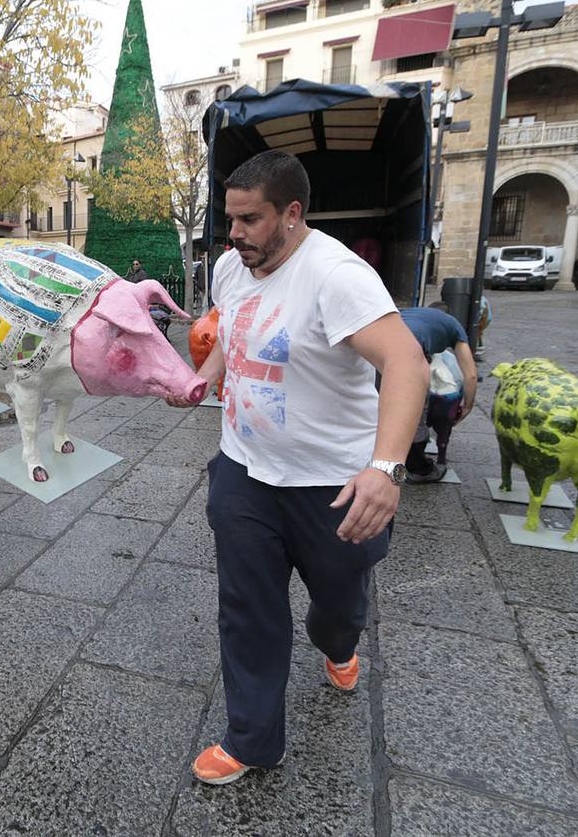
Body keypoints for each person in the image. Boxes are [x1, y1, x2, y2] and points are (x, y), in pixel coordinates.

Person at [168, 150, 427, 786]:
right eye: (229, 220)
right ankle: (252, 739)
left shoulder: (336, 275)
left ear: (292, 213)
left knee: (338, 605)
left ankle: (339, 645)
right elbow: (231, 332)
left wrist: (386, 470)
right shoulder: (231, 267)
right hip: (245, 472)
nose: (235, 235)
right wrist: (204, 378)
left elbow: (408, 363)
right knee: (246, 610)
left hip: (332, 487)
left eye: (250, 221)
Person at [398, 305, 478, 482]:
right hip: (405, 357)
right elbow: (471, 375)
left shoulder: (410, 314)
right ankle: (419, 470)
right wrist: (467, 406)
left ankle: (376, 463)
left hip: (374, 352)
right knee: (413, 415)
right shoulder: (454, 326)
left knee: (379, 408)